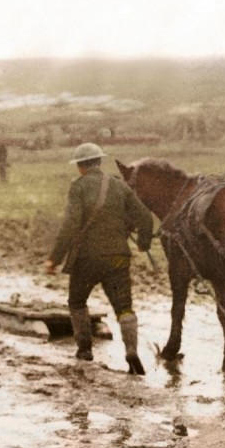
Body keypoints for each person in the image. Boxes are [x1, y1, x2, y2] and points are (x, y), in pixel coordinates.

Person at [45, 142, 154, 372]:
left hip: (86, 259)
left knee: (77, 301)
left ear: (80, 167)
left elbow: (70, 225)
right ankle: (131, 350)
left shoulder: (79, 187)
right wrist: (144, 244)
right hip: (118, 257)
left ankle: (85, 350)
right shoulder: (119, 186)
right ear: (99, 162)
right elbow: (145, 217)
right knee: (124, 307)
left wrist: (54, 258)